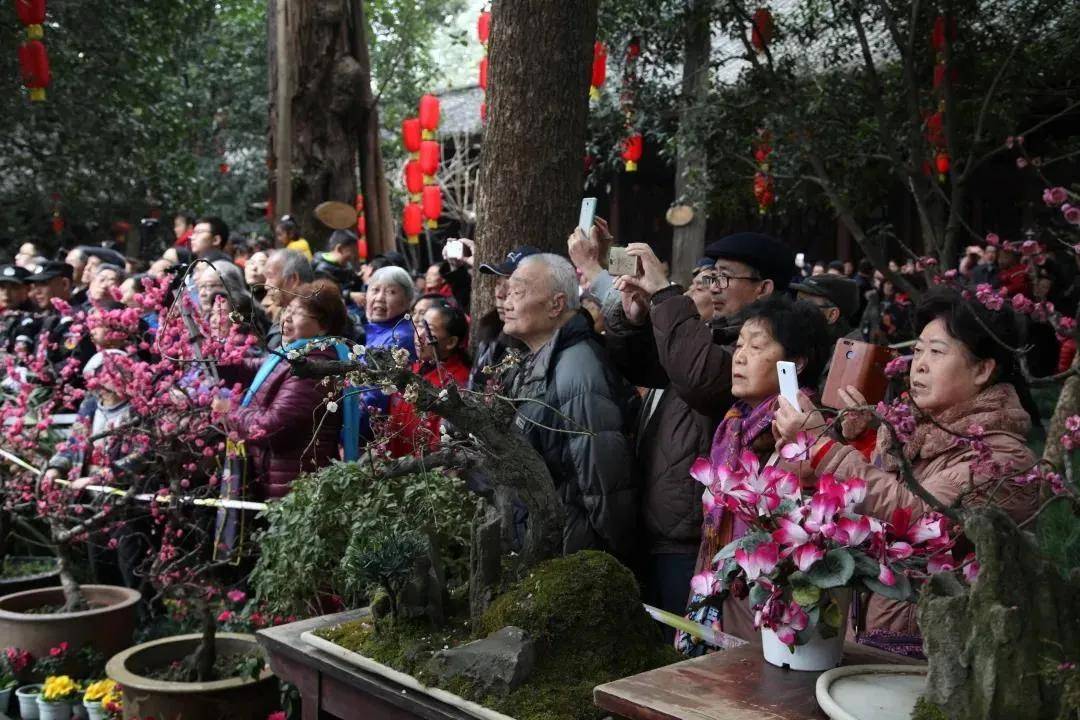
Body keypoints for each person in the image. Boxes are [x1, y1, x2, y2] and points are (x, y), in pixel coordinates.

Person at [773, 287, 1039, 654]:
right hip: (876, 634)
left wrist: (823, 449)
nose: (921, 364)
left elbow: (920, 515)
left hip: (947, 656)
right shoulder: (906, 433)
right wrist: (809, 450)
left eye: (937, 352)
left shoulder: (1002, 456)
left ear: (983, 370)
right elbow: (861, 505)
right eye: (918, 350)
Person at [602, 233, 794, 622]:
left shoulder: (771, 341)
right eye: (708, 278)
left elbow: (702, 379)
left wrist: (664, 295)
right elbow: (642, 366)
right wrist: (635, 319)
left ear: (764, 288)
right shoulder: (708, 330)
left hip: (701, 532)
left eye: (723, 278)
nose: (711, 288)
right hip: (666, 520)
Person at [678, 296, 829, 653]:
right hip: (724, 595)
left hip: (770, 608)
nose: (740, 356)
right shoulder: (735, 426)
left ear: (796, 364)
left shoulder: (806, 435)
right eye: (739, 344)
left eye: (757, 346)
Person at [503, 253, 638, 559]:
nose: (506, 302)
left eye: (518, 292)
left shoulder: (578, 368)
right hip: (544, 537)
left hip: (573, 548)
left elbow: (604, 481)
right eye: (507, 292)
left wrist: (605, 559)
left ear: (556, 304)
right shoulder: (537, 360)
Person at [213, 280, 353, 499]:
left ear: (323, 326)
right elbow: (246, 369)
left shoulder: (315, 368)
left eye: (297, 313)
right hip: (274, 480)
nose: (286, 317)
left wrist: (230, 412)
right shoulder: (291, 355)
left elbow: (273, 426)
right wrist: (211, 354)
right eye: (288, 310)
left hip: (293, 490)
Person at [386, 304, 472, 457]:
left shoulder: (457, 382)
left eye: (429, 331)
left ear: (451, 342)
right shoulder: (415, 368)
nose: (420, 335)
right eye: (419, 326)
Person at [470, 246, 537, 390]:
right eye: (498, 284)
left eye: (510, 286)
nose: (500, 294)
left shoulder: (540, 347)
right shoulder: (490, 336)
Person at [790, 273, 862, 381]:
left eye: (805, 305)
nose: (796, 310)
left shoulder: (853, 359)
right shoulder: (812, 343)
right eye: (797, 302)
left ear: (832, 315)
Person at [262, 249, 315, 349]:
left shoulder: (310, 321)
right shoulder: (283, 312)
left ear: (293, 279)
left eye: (270, 276)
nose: (266, 286)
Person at [364, 266, 417, 356]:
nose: (379, 298)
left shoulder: (399, 338)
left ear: (408, 300)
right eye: (375, 290)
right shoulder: (378, 328)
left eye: (390, 292)